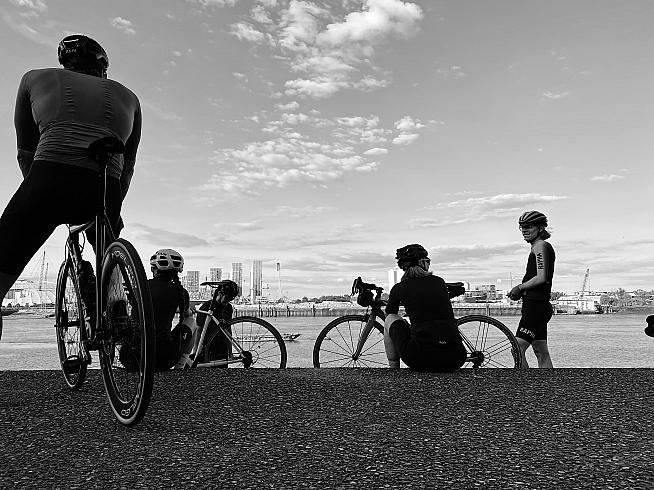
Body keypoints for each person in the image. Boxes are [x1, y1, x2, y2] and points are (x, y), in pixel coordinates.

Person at [0, 34, 142, 338]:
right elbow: (128, 166)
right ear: (103, 69)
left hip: (49, 178)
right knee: (108, 250)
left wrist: (37, 197)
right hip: (106, 187)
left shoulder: (33, 78)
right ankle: (118, 309)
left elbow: (25, 152)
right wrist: (113, 208)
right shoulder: (130, 97)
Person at [384, 244, 467, 372]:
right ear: (423, 264)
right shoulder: (439, 281)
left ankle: (393, 369)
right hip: (456, 358)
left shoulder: (399, 288)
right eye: (427, 261)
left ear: (403, 267)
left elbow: (390, 313)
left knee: (390, 318)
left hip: (420, 359)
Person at [508, 211, 556, 368]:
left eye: (528, 227)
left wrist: (519, 287)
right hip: (537, 306)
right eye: (522, 227)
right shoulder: (537, 247)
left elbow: (541, 277)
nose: (524, 230)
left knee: (517, 349)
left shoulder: (541, 246)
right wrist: (522, 291)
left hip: (536, 307)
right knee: (541, 352)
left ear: (540, 228)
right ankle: (548, 383)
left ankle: (525, 382)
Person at [147, 249, 193, 371]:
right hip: (162, 359)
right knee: (191, 320)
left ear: (153, 269)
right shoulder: (180, 292)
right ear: (177, 271)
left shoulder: (140, 288)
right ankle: (180, 367)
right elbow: (187, 315)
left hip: (132, 358)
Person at [195, 280, 239, 364]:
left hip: (222, 347)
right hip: (207, 347)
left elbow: (228, 330)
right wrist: (195, 352)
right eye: (227, 298)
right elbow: (199, 330)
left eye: (231, 299)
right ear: (219, 293)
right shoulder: (206, 307)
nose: (228, 301)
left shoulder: (229, 308)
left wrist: (230, 352)